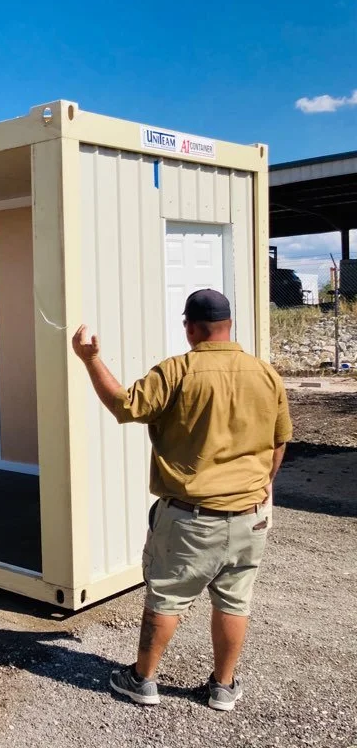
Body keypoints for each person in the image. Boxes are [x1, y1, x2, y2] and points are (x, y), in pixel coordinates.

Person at [70, 289, 291, 712]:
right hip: (251, 517)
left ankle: (143, 680)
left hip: (192, 517)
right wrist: (263, 484)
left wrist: (90, 359)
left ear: (190, 327)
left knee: (167, 597)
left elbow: (123, 405)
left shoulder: (178, 371)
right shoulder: (265, 374)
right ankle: (223, 687)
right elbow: (279, 441)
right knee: (234, 599)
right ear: (229, 325)